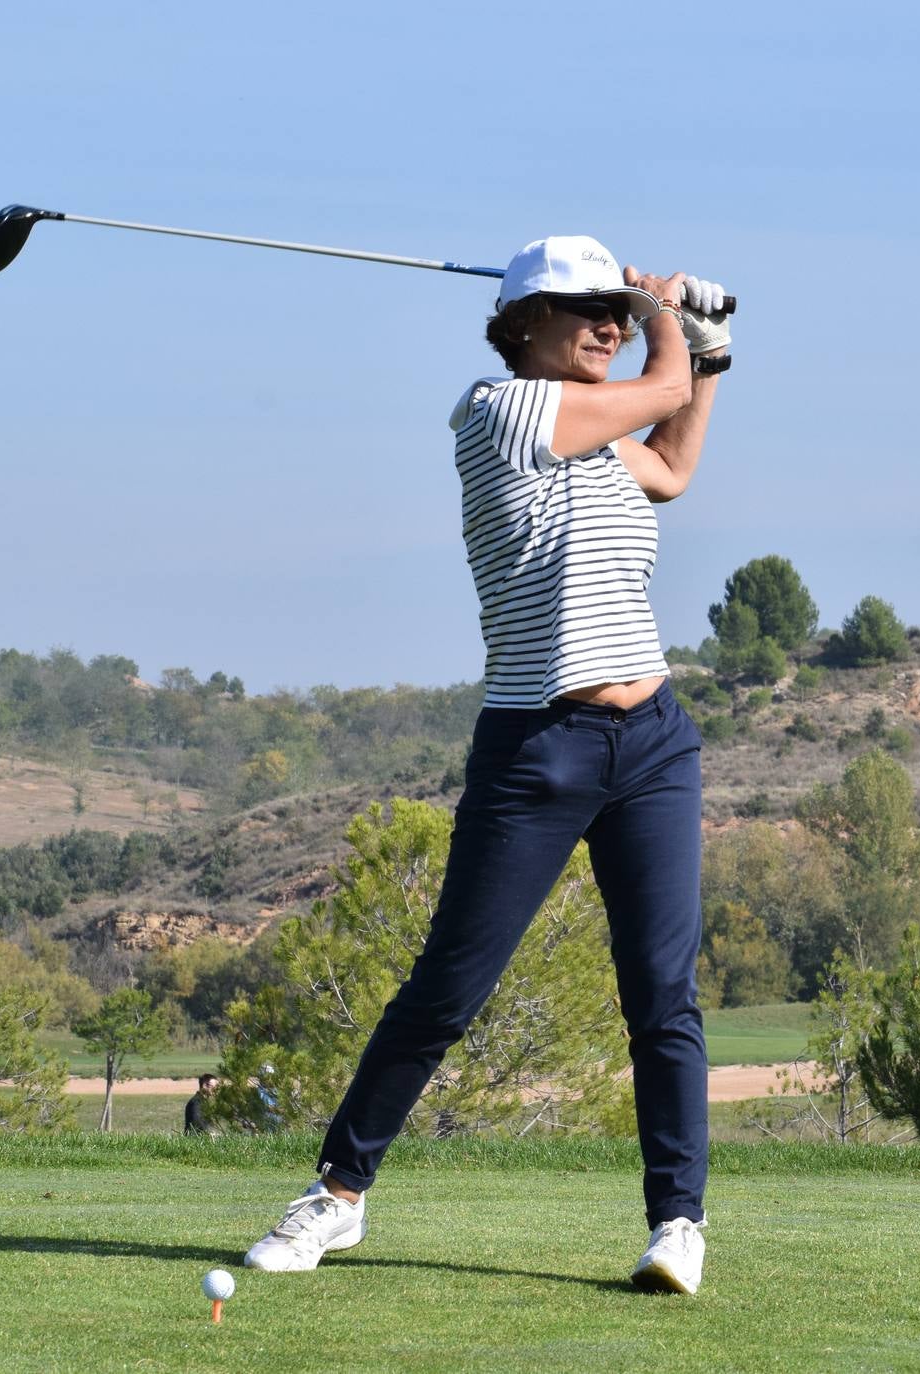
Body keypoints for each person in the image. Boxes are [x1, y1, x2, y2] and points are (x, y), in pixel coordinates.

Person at [243, 235, 731, 1295]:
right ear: (522, 328)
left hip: (652, 743)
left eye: (613, 308)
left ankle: (676, 1224)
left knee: (663, 993)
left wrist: (714, 344)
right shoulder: (500, 411)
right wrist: (663, 311)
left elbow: (677, 463)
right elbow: (657, 381)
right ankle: (337, 1197)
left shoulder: (605, 444)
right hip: (535, 749)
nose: (605, 323)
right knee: (447, 992)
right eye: (585, 309)